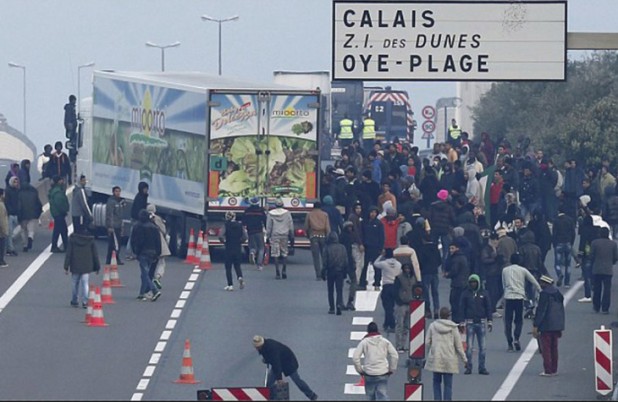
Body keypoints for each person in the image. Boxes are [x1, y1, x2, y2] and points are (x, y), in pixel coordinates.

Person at [252, 336, 318, 401]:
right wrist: (267, 360)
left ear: (261, 344)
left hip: (288, 362)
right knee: (268, 383)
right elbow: (269, 357)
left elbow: (276, 363)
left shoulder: (271, 348)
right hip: (279, 362)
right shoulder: (263, 347)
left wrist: (279, 379)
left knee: (297, 380)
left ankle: (311, 395)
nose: (257, 348)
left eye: (258, 347)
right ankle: (269, 397)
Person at [424, 307, 468, 401]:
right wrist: (465, 360)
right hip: (449, 358)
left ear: (440, 315)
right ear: (449, 316)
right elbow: (459, 346)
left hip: (436, 357)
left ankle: (437, 399)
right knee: (448, 384)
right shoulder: (453, 328)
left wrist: (431, 351)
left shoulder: (433, 326)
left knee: (436, 382)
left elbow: (427, 342)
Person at [502, 253, 541, 352]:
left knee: (508, 321)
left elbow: (503, 284)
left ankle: (509, 343)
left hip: (508, 297)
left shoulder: (505, 270)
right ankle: (516, 338)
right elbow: (533, 281)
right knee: (518, 320)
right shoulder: (523, 270)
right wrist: (540, 290)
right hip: (519, 297)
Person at [352, 321, 399, 401]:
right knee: (382, 395)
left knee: (370, 396)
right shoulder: (385, 342)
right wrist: (391, 369)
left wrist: (360, 371)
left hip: (369, 373)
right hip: (382, 372)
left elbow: (355, 358)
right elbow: (395, 356)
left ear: (368, 331)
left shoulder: (364, 342)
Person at [458, 274, 492, 375]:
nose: (473, 284)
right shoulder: (465, 294)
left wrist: (489, 321)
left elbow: (488, 307)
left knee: (483, 347)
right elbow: (462, 308)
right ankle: (469, 367)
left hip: (481, 322)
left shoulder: (484, 293)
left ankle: (482, 367)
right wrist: (462, 321)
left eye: (475, 282)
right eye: (471, 282)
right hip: (469, 323)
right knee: (469, 348)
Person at [533, 275, 565, 377]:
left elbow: (541, 311)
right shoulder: (558, 294)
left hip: (547, 325)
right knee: (554, 347)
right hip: (557, 324)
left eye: (542, 283)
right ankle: (554, 369)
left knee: (546, 348)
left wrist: (536, 325)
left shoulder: (544, 294)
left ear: (545, 283)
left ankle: (548, 370)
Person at [64, 226, 101, 308]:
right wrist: (97, 267)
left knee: (74, 283)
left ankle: (74, 300)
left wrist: (66, 266)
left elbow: (68, 254)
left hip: (75, 264)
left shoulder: (72, 240)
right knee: (85, 283)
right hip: (86, 265)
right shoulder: (90, 240)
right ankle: (85, 301)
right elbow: (95, 255)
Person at [131, 209, 161, 301]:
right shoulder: (154, 227)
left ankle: (154, 290)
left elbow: (135, 241)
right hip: (152, 253)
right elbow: (158, 242)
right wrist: (158, 253)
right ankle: (142, 293)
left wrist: (136, 252)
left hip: (143, 252)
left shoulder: (137, 227)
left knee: (144, 273)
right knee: (145, 273)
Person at [590, 227, 618, 314]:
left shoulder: (594, 243)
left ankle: (596, 306)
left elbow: (591, 256)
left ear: (600, 234)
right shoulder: (613, 244)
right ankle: (605, 307)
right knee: (607, 290)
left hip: (597, 268)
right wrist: (611, 262)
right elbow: (615, 257)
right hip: (608, 269)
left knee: (597, 288)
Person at [374, 249, 403, 333]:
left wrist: (381, 256)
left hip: (386, 287)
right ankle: (386, 324)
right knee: (392, 306)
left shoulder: (384, 263)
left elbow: (375, 263)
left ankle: (392, 324)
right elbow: (400, 273)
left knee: (387, 307)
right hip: (395, 287)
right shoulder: (398, 264)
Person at [266, 198, 294, 280]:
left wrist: (267, 237)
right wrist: (292, 236)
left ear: (275, 205)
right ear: (282, 205)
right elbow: (291, 226)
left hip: (275, 235)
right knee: (284, 253)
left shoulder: (270, 214)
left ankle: (277, 272)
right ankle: (284, 270)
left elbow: (269, 227)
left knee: (275, 254)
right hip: (285, 235)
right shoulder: (287, 213)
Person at [321, 231, 348, 315]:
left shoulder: (327, 248)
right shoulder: (342, 247)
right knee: (339, 290)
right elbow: (346, 261)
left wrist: (323, 272)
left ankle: (332, 308)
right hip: (340, 271)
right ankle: (339, 304)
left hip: (330, 271)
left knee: (330, 290)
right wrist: (345, 272)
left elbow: (324, 262)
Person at [219, 211, 247, 291]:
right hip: (237, 247)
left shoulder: (226, 225)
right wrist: (240, 241)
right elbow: (245, 236)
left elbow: (221, 235)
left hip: (229, 247)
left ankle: (230, 285)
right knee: (237, 265)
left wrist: (223, 241)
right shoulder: (240, 225)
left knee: (228, 267)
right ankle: (240, 277)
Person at [444, 238, 470, 325]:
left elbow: (454, 271)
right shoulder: (462, 257)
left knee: (455, 302)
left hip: (458, 283)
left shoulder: (456, 258)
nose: (451, 250)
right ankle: (461, 319)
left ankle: (456, 321)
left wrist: (447, 275)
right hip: (463, 282)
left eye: (452, 248)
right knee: (460, 302)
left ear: (457, 248)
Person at [360, 206, 385, 290]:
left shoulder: (379, 223)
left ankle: (377, 283)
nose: (373, 214)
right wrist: (361, 244)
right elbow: (361, 234)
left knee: (377, 267)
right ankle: (362, 283)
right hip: (366, 247)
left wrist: (381, 248)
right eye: (371, 212)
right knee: (364, 266)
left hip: (376, 248)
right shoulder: (364, 222)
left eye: (374, 212)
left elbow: (382, 236)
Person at [305, 202, 331, 281]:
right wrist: (328, 236)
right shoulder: (325, 215)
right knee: (324, 256)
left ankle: (318, 275)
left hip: (313, 236)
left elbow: (306, 226)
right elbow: (328, 227)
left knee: (316, 257)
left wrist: (308, 234)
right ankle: (325, 272)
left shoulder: (309, 214)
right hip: (323, 235)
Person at [147, 204, 170, 290]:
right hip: (159, 244)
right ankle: (157, 277)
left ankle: (148, 281)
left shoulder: (144, 218)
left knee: (149, 264)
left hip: (148, 246)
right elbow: (163, 230)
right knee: (161, 262)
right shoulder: (157, 218)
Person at [552, 205, 576, 288]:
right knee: (568, 264)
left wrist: (554, 244)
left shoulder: (556, 221)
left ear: (558, 211)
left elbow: (554, 233)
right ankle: (567, 282)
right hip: (568, 242)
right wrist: (571, 242)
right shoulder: (570, 220)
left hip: (559, 243)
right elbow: (573, 233)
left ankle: (560, 274)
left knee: (557, 264)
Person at [394, 263, 415, 353]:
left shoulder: (414, 278)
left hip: (411, 303)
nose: (407, 270)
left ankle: (403, 344)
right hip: (401, 304)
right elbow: (395, 290)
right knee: (400, 325)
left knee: (406, 326)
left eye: (408, 268)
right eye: (406, 268)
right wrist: (399, 301)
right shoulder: (399, 278)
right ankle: (398, 345)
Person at [242, 196, 267, 271]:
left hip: (250, 231)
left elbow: (243, 222)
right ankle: (259, 265)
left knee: (252, 246)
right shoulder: (261, 211)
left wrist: (244, 229)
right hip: (259, 231)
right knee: (261, 248)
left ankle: (252, 252)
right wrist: (266, 229)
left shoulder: (247, 211)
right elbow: (265, 220)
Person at [17, 180, 42, 252]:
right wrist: (38, 213)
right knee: (31, 229)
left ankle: (25, 245)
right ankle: (30, 238)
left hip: (23, 215)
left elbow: (19, 206)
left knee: (23, 230)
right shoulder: (34, 193)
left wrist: (19, 215)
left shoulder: (20, 194)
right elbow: (39, 204)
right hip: (33, 214)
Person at [127, 181, 149, 261]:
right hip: (136, 219)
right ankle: (130, 253)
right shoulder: (140, 197)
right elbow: (138, 210)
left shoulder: (143, 196)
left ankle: (133, 253)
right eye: (145, 189)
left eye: (147, 189)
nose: (146, 190)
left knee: (135, 236)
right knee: (133, 236)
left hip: (137, 219)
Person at [105, 186, 126, 265]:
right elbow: (109, 214)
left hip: (119, 225)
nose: (118, 193)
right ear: (113, 192)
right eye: (116, 191)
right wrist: (110, 226)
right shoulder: (111, 202)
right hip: (113, 226)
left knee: (118, 243)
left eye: (119, 191)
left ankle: (115, 258)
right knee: (112, 244)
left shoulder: (119, 202)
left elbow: (121, 215)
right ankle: (110, 259)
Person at [48, 175, 69, 253]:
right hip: (59, 214)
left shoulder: (55, 190)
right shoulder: (58, 192)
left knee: (58, 230)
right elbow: (60, 203)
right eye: (61, 180)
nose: (63, 182)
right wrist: (65, 210)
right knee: (63, 230)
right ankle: (64, 246)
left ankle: (56, 246)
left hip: (57, 214)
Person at [4, 177, 19, 256]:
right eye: (14, 182)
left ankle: (10, 247)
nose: (16, 183)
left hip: (16, 214)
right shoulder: (8, 191)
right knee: (9, 232)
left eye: (17, 182)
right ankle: (10, 249)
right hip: (10, 214)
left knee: (12, 232)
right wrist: (10, 212)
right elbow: (7, 202)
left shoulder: (17, 191)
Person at [0, 189, 8, 268]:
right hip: (1, 231)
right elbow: (2, 219)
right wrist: (4, 230)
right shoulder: (1, 205)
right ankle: (1, 261)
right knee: (1, 246)